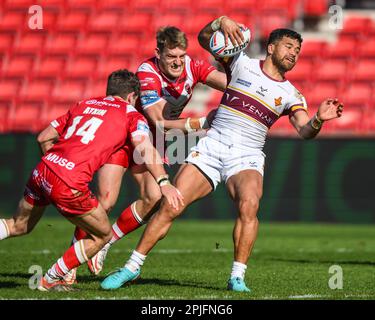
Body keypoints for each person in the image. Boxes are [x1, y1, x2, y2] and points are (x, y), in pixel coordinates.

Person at [100, 17, 344, 292]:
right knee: (171, 205)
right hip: (212, 146)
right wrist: (220, 22)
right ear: (272, 48)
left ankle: (237, 277)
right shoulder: (241, 63)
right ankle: (132, 267)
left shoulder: (292, 94)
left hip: (246, 155)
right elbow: (205, 40)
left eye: (297, 51)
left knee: (249, 204)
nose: (293, 54)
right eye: (288, 46)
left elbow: (304, 131)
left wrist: (318, 120)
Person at [0, 69, 183, 291]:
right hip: (69, 182)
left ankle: (55, 277)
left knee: (18, 225)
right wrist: (164, 182)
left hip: (42, 171)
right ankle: (51, 279)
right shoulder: (131, 114)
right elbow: (144, 147)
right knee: (103, 235)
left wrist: (55, 166)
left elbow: (43, 137)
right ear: (132, 97)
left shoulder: (83, 104)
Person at [71, 25, 227, 277]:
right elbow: (157, 120)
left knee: (154, 198)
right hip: (126, 136)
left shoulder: (192, 66)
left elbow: (231, 85)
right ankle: (75, 251)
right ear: (158, 53)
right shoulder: (147, 72)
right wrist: (199, 123)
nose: (177, 62)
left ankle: (105, 242)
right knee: (107, 201)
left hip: (153, 142)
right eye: (170, 57)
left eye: (181, 56)